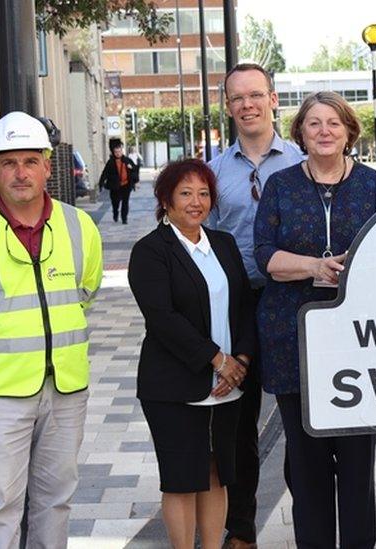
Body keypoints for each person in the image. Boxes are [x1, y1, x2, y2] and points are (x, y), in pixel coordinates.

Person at [0, 111, 103, 548]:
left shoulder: (79, 227)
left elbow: (84, 291)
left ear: (48, 166)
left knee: (55, 502)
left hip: (66, 391)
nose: (21, 172)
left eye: (30, 161)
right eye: (9, 162)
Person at [254, 91, 376, 548]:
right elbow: (265, 255)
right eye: (313, 124)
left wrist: (361, 264)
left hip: (359, 345)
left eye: (333, 123)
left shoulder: (373, 185)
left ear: (349, 131)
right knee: (307, 466)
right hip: (294, 342)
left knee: (356, 467)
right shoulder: (279, 185)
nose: (324, 131)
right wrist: (315, 266)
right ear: (300, 134)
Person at [128, 159, 257, 549]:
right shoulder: (150, 251)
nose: (195, 202)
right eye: (185, 193)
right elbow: (163, 318)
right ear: (166, 200)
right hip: (174, 385)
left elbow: (244, 307)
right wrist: (218, 361)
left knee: (217, 473)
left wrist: (242, 363)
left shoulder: (224, 243)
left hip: (229, 384)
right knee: (183, 479)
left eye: (203, 193)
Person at [206, 62, 304, 549]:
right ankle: (241, 531)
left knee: (297, 421)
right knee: (238, 428)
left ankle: (307, 517)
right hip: (238, 310)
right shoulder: (214, 173)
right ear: (228, 107)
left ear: (272, 100)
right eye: (237, 98)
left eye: (255, 95)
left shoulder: (302, 162)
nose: (247, 104)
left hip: (294, 304)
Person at [98, 138, 139, 223]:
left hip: (126, 185)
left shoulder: (127, 160)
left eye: (119, 152)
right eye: (116, 152)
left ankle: (124, 219)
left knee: (125, 202)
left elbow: (135, 169)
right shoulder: (111, 162)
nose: (118, 153)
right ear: (113, 152)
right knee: (115, 203)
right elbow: (105, 173)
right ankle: (115, 214)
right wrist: (101, 183)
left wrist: (132, 169)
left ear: (122, 151)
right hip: (115, 186)